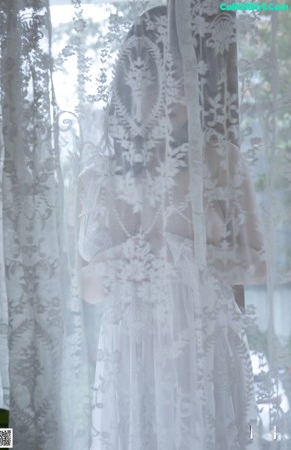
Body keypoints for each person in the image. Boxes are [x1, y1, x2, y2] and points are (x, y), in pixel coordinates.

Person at [78, 3, 266, 449]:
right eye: (167, 74)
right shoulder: (94, 177)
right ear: (134, 77)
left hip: (203, 355)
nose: (178, 91)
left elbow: (259, 266)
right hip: (126, 361)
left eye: (189, 75)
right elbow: (83, 285)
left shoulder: (220, 161)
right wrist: (135, 255)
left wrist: (185, 252)